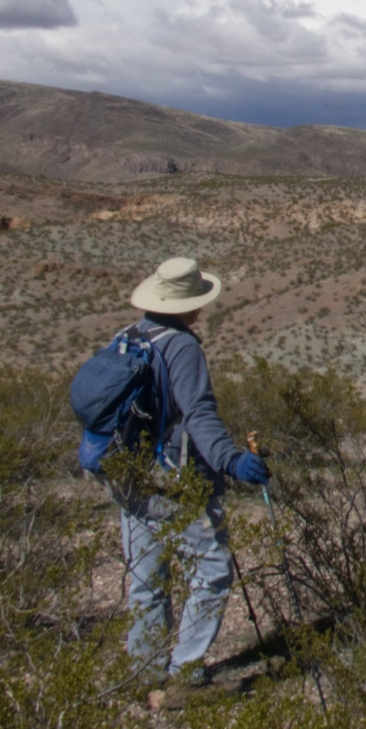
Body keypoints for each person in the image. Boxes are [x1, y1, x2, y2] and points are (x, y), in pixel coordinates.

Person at [108, 256, 269, 690]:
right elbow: (199, 413)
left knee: (146, 579)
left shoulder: (128, 336)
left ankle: (142, 676)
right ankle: (184, 676)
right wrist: (230, 460)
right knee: (213, 569)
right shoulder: (182, 347)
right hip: (174, 479)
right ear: (189, 304)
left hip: (128, 476)